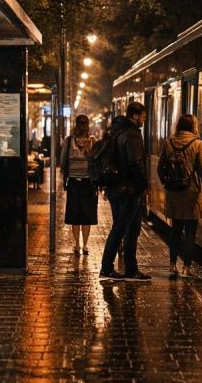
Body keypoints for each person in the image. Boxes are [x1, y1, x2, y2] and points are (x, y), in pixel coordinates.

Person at [100, 101, 150, 281]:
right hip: (129, 189)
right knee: (121, 229)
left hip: (115, 188)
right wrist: (143, 185)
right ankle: (107, 268)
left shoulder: (117, 132)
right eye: (143, 117)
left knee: (131, 229)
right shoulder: (132, 135)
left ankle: (131, 270)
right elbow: (135, 163)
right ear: (135, 116)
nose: (144, 120)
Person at [158, 114, 202, 278]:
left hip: (174, 192)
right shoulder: (198, 144)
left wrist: (168, 182)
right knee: (190, 232)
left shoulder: (168, 142)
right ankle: (186, 267)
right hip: (192, 193)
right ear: (193, 126)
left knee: (175, 230)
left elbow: (160, 168)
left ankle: (172, 265)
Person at [59, 113, 97, 255]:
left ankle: (77, 245)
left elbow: (62, 162)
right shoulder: (93, 141)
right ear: (87, 126)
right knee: (87, 216)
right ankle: (85, 245)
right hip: (89, 184)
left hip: (74, 183)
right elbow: (97, 161)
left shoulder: (69, 141)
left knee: (75, 215)